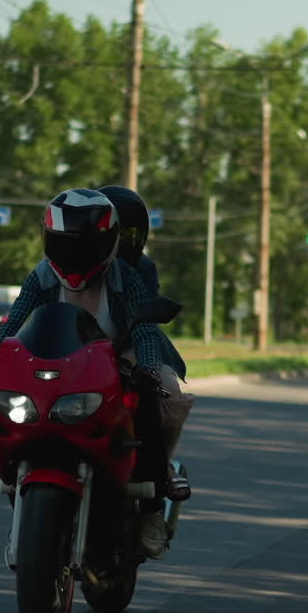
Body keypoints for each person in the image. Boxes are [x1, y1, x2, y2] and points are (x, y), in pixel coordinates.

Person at [0, 187, 178, 557]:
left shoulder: (126, 278)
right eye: (64, 245)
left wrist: (146, 368)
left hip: (117, 359)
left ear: (109, 243)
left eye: (85, 246)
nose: (74, 255)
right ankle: (26, 506)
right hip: (60, 363)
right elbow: (14, 323)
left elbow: (145, 330)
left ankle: (151, 504)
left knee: (155, 394)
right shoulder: (42, 276)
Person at [97, 184, 194, 487]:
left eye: (130, 233)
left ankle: (161, 473)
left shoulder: (143, 268)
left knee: (168, 393)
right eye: (117, 232)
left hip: (133, 348)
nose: (124, 241)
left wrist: (144, 364)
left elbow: (145, 322)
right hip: (78, 352)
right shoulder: (70, 259)